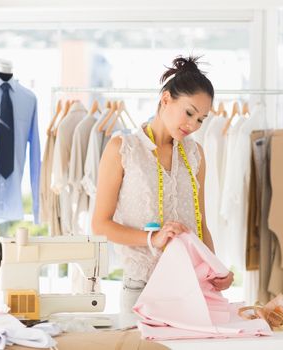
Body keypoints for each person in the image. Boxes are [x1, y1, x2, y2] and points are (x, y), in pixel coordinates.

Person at [92, 55, 234, 315]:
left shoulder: (195, 154)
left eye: (201, 119)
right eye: (189, 112)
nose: (193, 125)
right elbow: (100, 225)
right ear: (165, 98)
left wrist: (216, 268)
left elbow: (200, 224)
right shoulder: (123, 150)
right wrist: (152, 239)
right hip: (142, 288)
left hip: (191, 287)